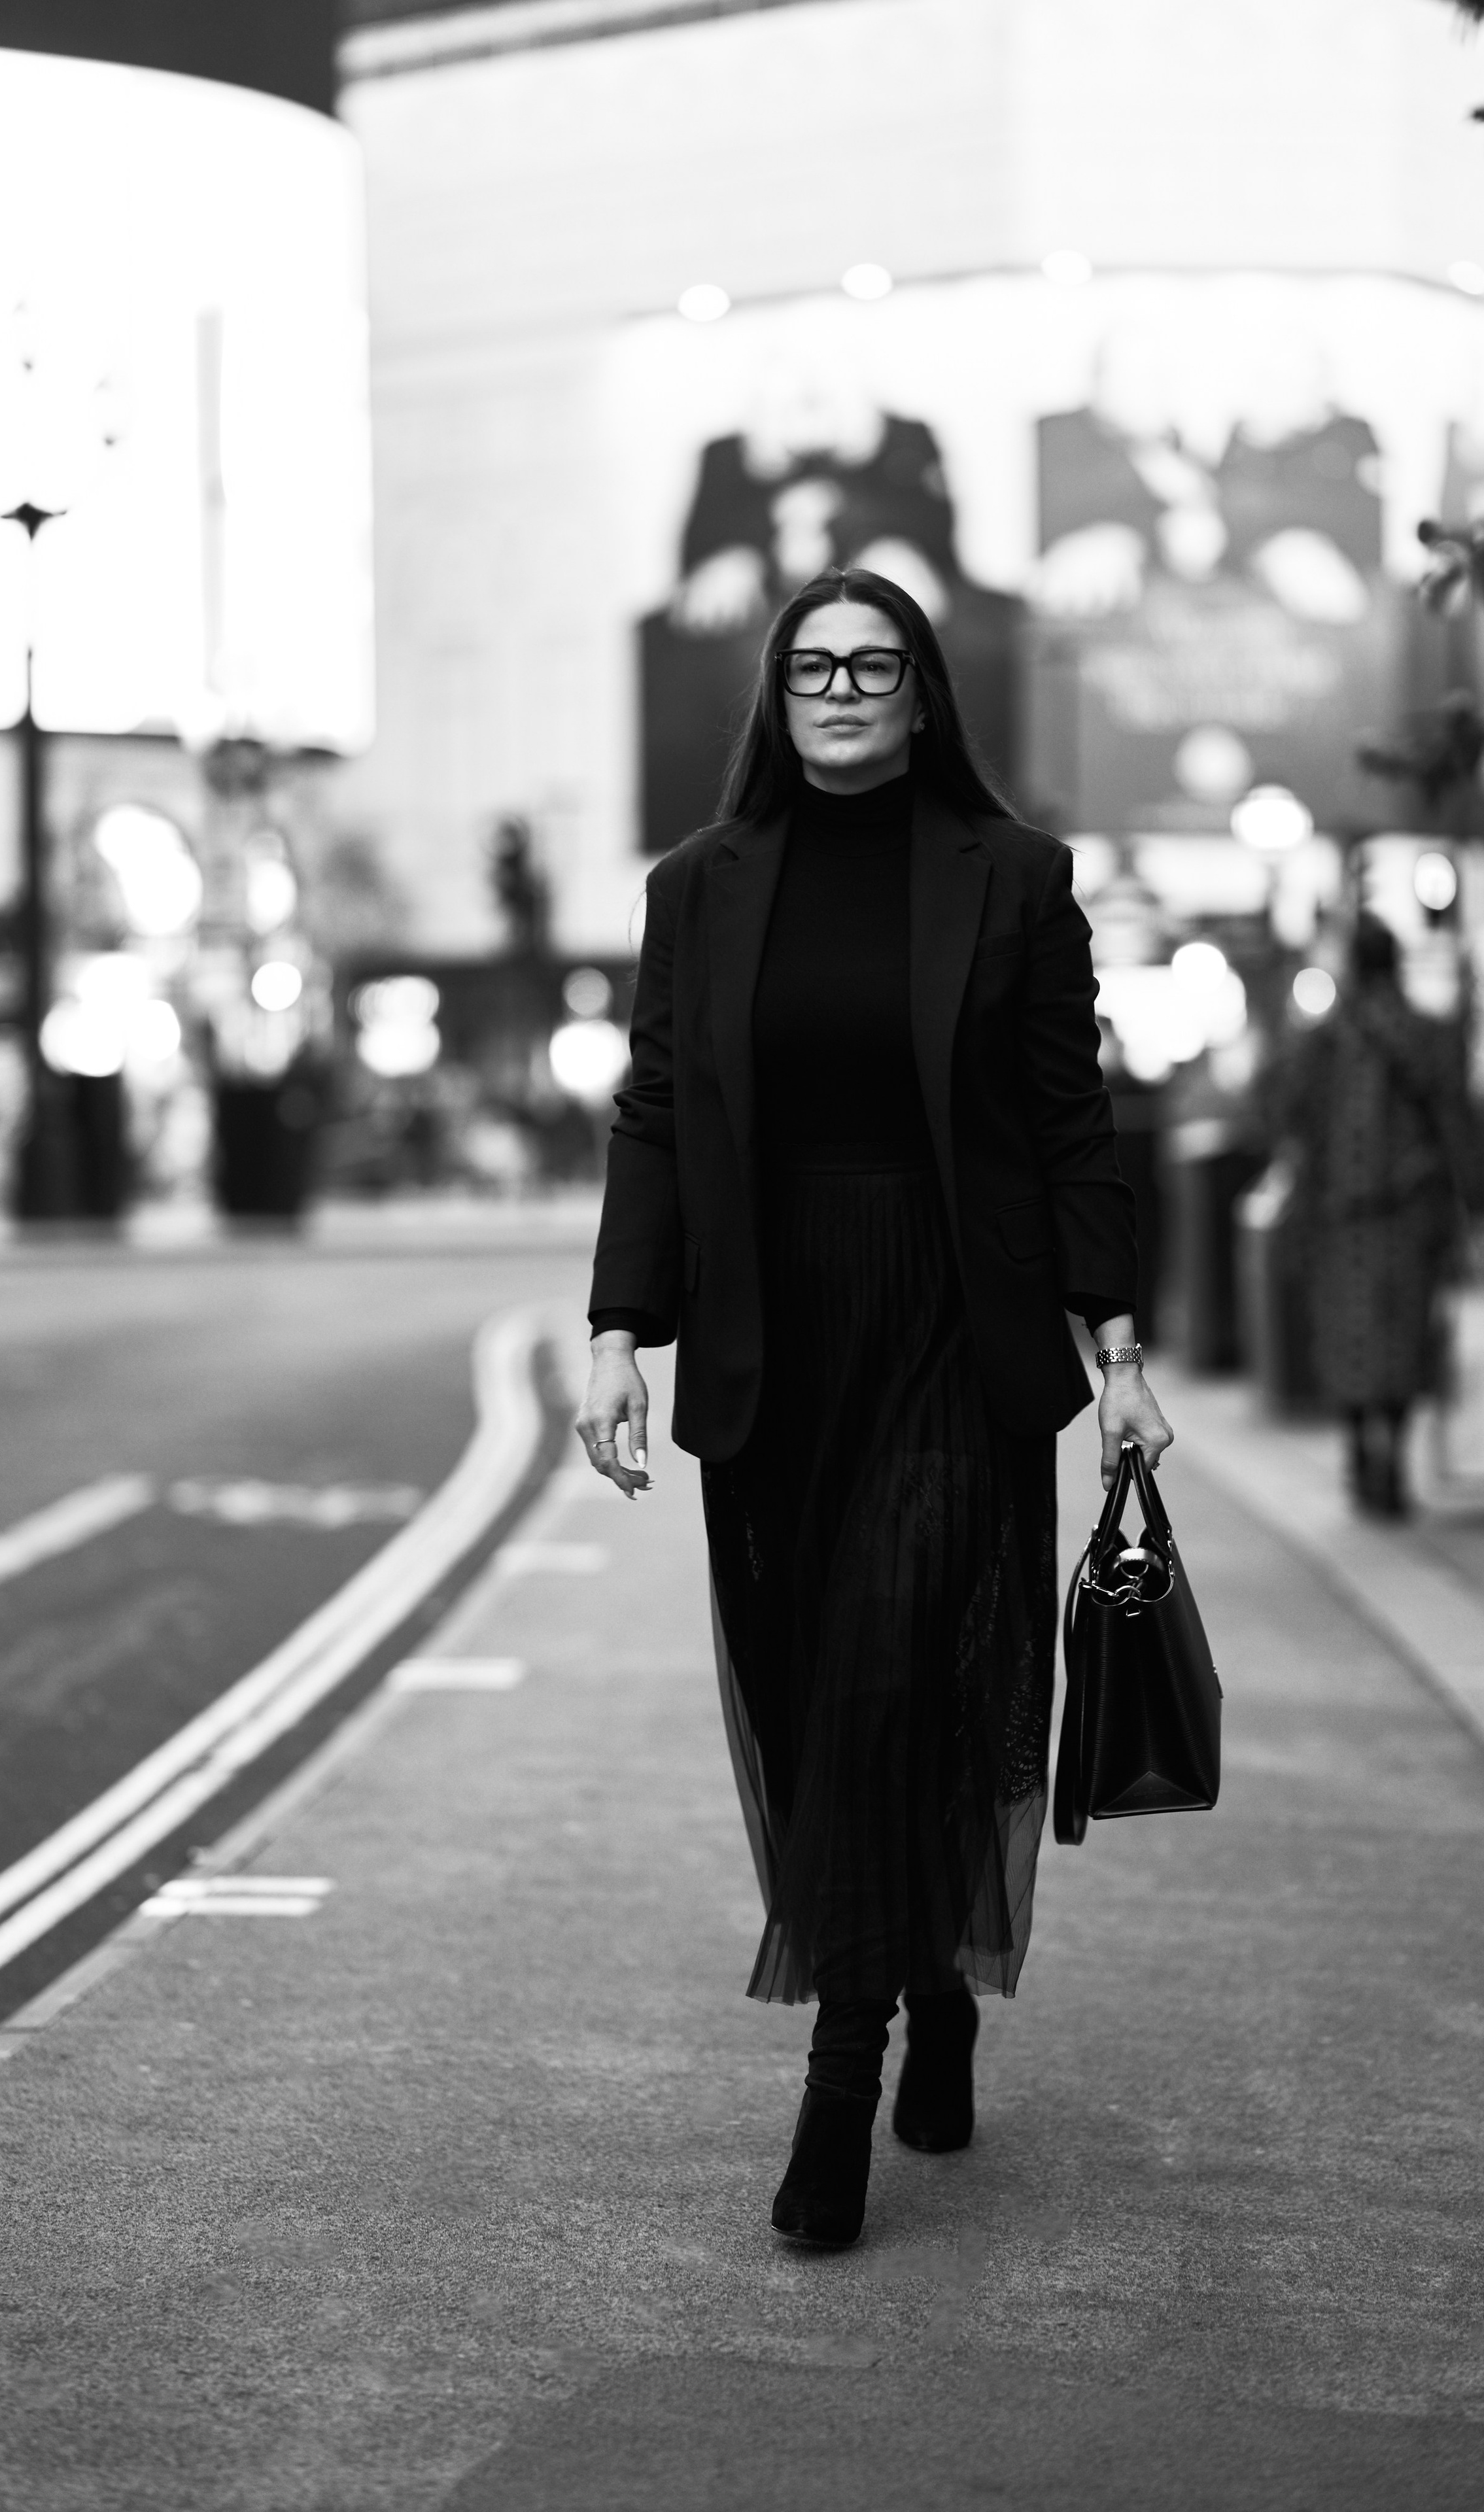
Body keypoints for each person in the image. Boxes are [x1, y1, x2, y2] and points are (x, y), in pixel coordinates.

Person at [576, 566, 1171, 2248]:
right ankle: (930, 1974)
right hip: (775, 1338)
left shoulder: (1010, 875)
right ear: (776, 696)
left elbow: (1067, 1120)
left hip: (949, 1326)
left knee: (887, 1671)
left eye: (873, 665)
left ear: (920, 696)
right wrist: (620, 1330)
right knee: (808, 1692)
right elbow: (656, 1108)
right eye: (811, 666)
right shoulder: (697, 885)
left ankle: (839, 2080)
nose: (840, 689)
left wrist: (1117, 1354)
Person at [1285, 916, 1471, 1519]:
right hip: (1409, 1215)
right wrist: (1471, 1205)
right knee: (1404, 1337)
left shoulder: (1325, 1039)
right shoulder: (1427, 1034)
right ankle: (1394, 1454)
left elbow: (1293, 1121)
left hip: (1340, 1219)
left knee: (1346, 1337)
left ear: (1353, 966)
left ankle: (1359, 1449)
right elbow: (1457, 1123)